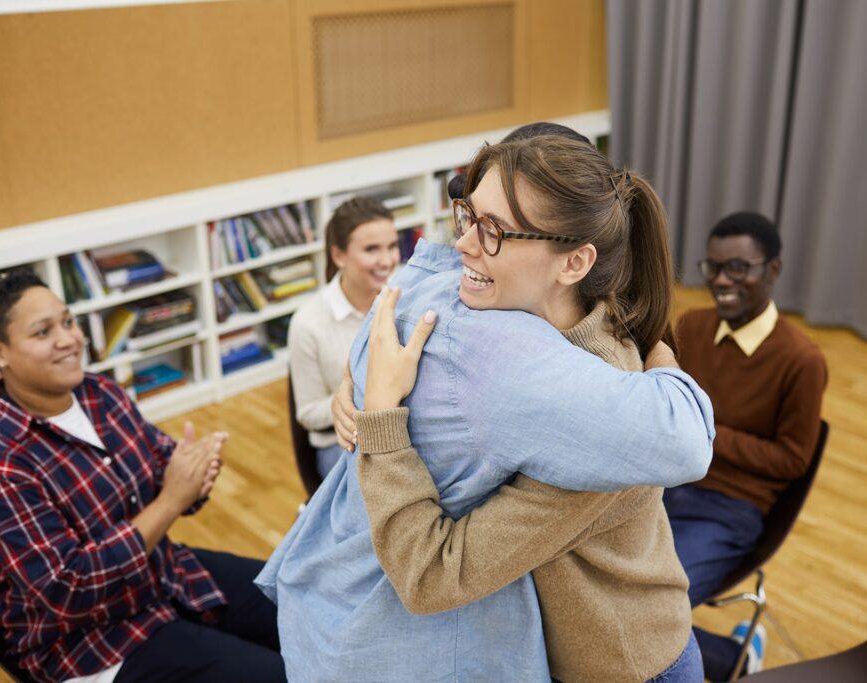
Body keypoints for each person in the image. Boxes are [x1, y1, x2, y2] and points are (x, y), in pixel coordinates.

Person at [256, 135, 716, 682]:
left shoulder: (584, 414)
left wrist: (380, 416)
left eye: (495, 231)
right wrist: (352, 383)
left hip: (622, 665)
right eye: (468, 215)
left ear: (574, 262)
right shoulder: (517, 323)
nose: (464, 244)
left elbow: (435, 573)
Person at [0, 271, 285, 683]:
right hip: (91, 641)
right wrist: (171, 500)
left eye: (69, 321)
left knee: (301, 598)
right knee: (279, 675)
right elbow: (69, 590)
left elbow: (163, 466)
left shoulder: (100, 393)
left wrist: (194, 471)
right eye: (43, 332)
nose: (68, 339)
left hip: (162, 573)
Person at [666, 211, 828, 681]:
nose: (721, 280)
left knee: (651, 607)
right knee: (587, 586)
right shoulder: (692, 326)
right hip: (663, 483)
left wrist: (706, 426)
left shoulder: (802, 360)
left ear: (772, 270)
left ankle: (730, 660)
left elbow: (793, 459)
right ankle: (730, 658)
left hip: (728, 508)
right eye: (714, 267)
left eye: (737, 268)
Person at [287, 196, 399, 478]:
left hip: (398, 427)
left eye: (392, 246)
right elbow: (308, 413)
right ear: (339, 256)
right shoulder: (308, 323)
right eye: (371, 249)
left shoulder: (404, 298)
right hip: (342, 444)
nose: (387, 260)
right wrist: (353, 399)